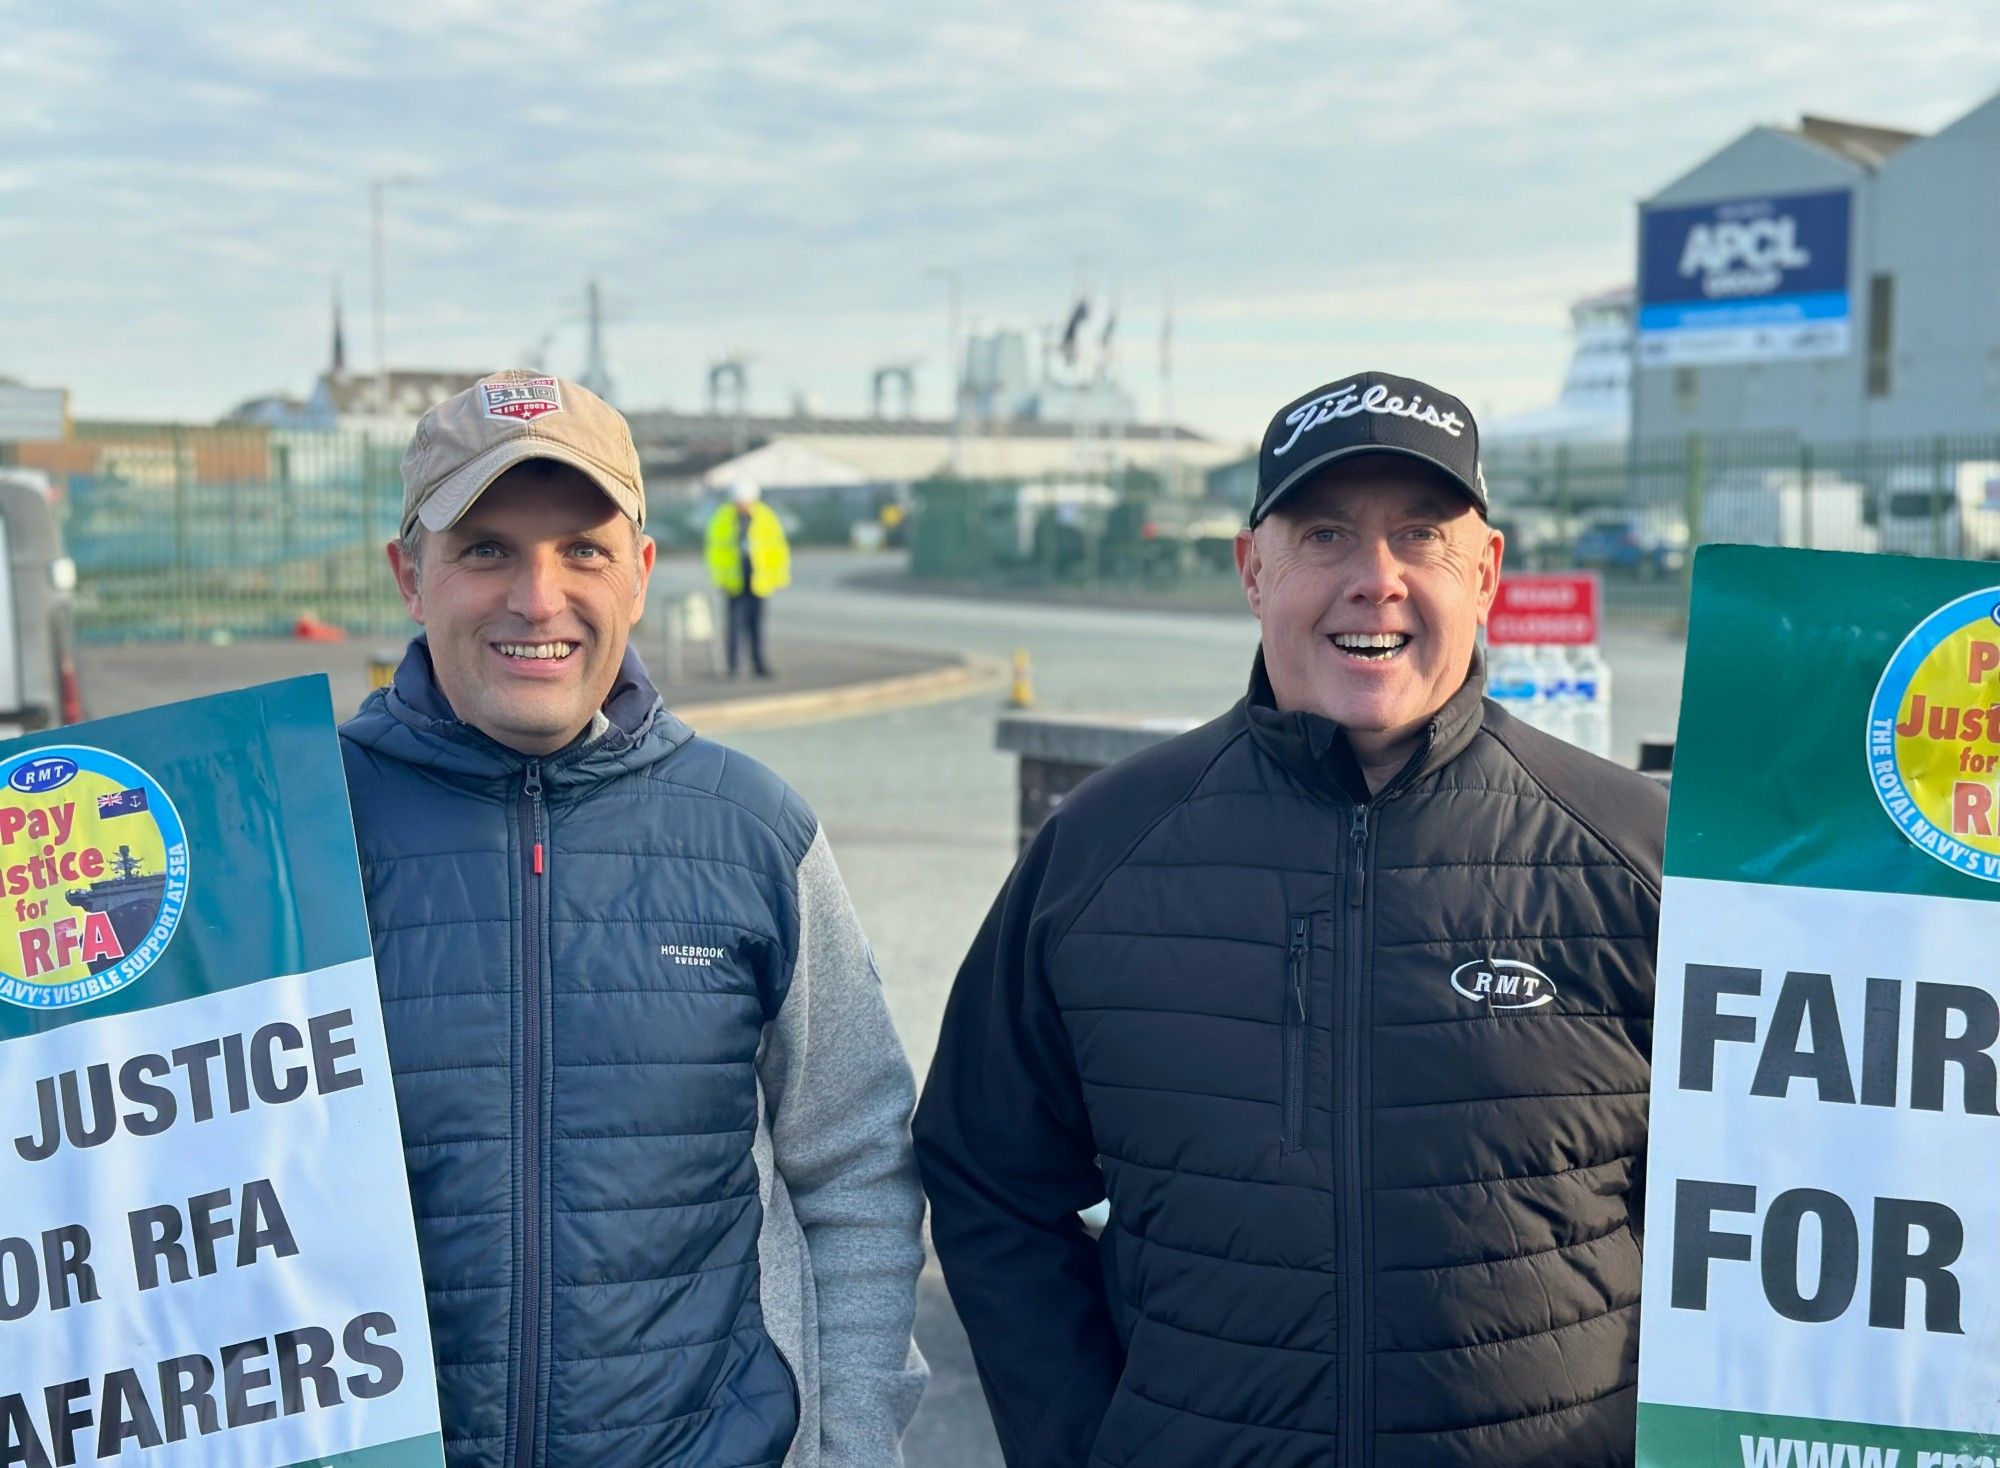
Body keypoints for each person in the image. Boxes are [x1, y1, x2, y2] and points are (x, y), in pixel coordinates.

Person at [915, 370, 1665, 1467]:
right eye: (1323, 535)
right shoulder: (1100, 851)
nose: (1377, 581)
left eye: (1420, 536)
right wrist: (1087, 1442)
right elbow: (987, 1173)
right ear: (1251, 570)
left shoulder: (1633, 855)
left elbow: (1753, 1210)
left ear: (1488, 573)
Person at [340, 370, 926, 1467]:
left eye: (583, 550)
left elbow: (852, 1163)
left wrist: (847, 1439)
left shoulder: (754, 829)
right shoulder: (298, 829)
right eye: (486, 550)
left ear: (642, 574)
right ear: (408, 576)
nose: (537, 596)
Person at [706, 478, 792, 678]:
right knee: (734, 624)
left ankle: (759, 664)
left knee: (757, 624)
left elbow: (778, 549)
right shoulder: (723, 518)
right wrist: (719, 579)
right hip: (734, 580)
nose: (742, 505)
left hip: (758, 579)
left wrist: (779, 578)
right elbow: (714, 552)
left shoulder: (766, 517)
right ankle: (733, 666)